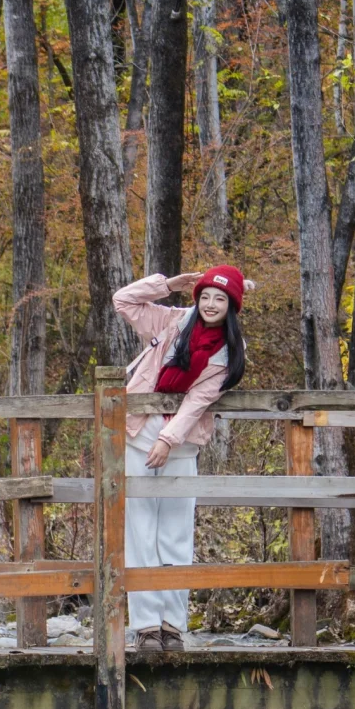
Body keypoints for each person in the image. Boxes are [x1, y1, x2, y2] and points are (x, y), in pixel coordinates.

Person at [112, 265, 251, 655]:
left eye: (219, 298)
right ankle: (145, 628)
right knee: (140, 531)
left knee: (174, 534)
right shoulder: (171, 322)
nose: (210, 304)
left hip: (181, 445)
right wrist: (168, 285)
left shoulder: (226, 353)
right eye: (205, 295)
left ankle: (172, 626)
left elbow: (197, 402)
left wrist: (169, 441)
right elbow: (122, 299)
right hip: (139, 435)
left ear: (231, 306)